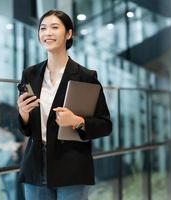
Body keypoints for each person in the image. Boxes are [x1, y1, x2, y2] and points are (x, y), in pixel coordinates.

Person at [17, 10, 112, 200]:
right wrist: (23, 114)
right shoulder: (30, 74)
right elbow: (27, 130)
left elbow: (105, 125)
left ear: (68, 34)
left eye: (54, 27)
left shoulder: (86, 77)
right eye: (43, 28)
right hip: (35, 165)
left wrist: (77, 121)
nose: (47, 33)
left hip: (71, 165)